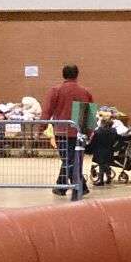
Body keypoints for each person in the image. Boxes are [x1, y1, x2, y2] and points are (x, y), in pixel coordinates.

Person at [40, 64, 92, 196]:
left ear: (63, 74)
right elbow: (88, 115)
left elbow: (47, 110)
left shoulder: (56, 90)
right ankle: (65, 186)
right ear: (77, 74)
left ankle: (76, 187)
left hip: (62, 132)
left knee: (68, 160)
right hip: (79, 132)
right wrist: (89, 133)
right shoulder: (84, 92)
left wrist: (41, 128)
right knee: (73, 160)